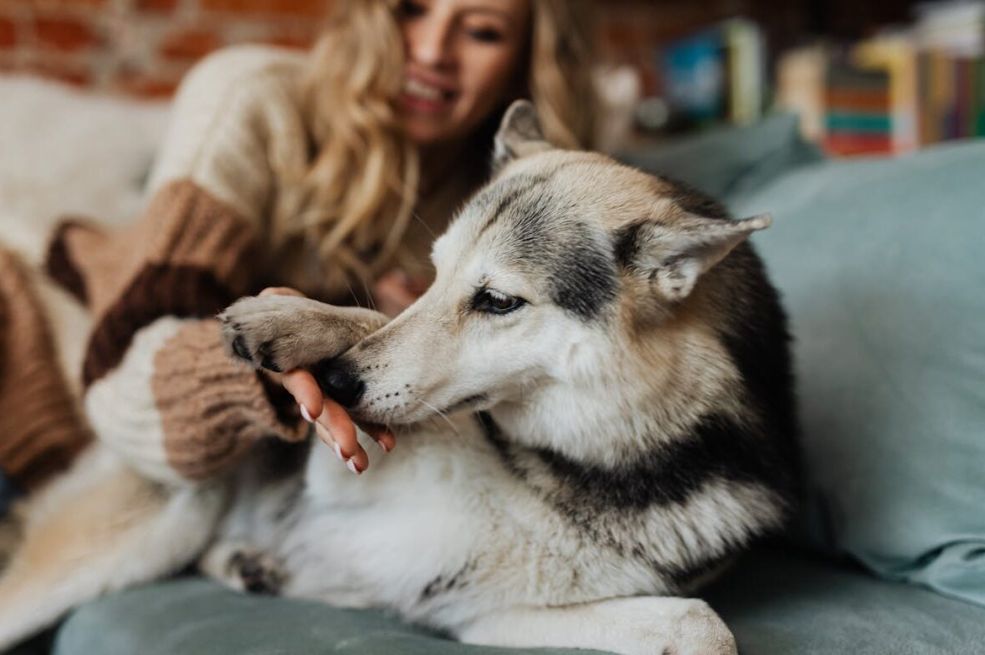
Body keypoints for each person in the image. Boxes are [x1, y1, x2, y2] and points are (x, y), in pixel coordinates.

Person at [0, 0, 599, 503]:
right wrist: (271, 370)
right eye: (409, 9)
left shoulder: (516, 201)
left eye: (482, 31)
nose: (433, 50)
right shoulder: (251, 100)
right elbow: (121, 384)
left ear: (526, 63)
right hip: (54, 341)